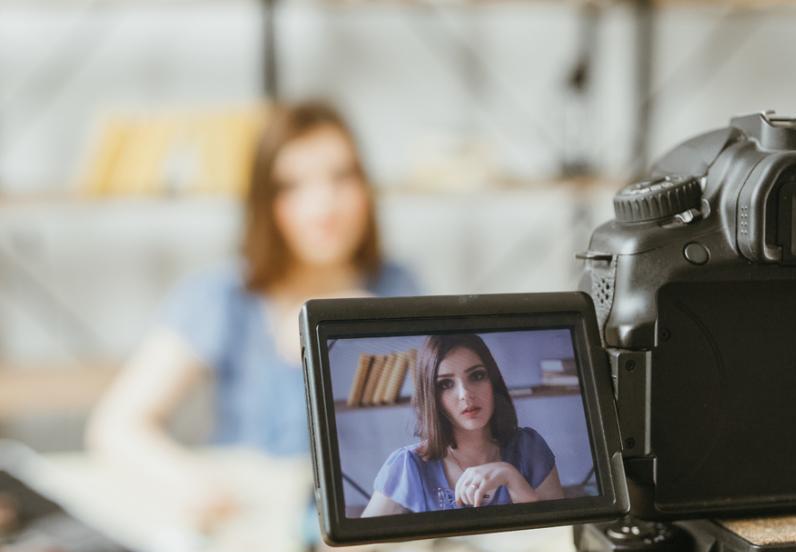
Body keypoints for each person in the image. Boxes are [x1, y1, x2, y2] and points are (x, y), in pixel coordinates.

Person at [86, 101, 417, 521]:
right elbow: (116, 427)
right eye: (291, 185)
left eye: (341, 177)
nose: (323, 204)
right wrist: (192, 483)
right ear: (265, 201)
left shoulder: (398, 287)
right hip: (253, 522)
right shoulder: (222, 294)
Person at [361, 334, 564, 516]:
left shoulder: (529, 447)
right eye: (446, 384)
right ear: (433, 397)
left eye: (476, 376)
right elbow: (364, 546)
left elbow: (561, 534)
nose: (465, 394)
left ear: (493, 382)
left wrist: (512, 478)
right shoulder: (407, 465)